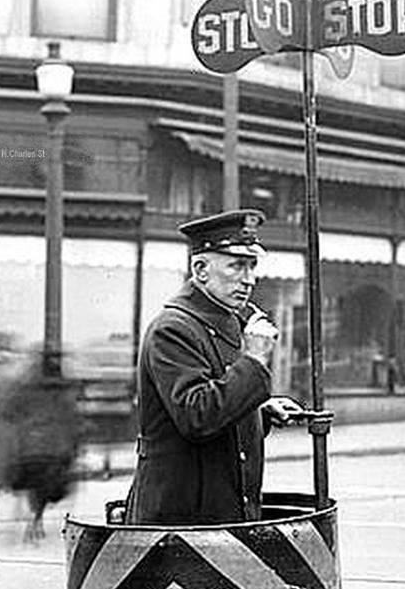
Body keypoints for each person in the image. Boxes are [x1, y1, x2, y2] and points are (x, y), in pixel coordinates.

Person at [124, 208, 303, 525]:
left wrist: (258, 411)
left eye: (252, 266)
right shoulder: (172, 329)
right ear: (201, 269)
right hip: (178, 522)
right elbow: (197, 415)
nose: (248, 280)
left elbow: (219, 400)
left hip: (220, 515)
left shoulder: (230, 322)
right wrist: (254, 361)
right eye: (236, 266)